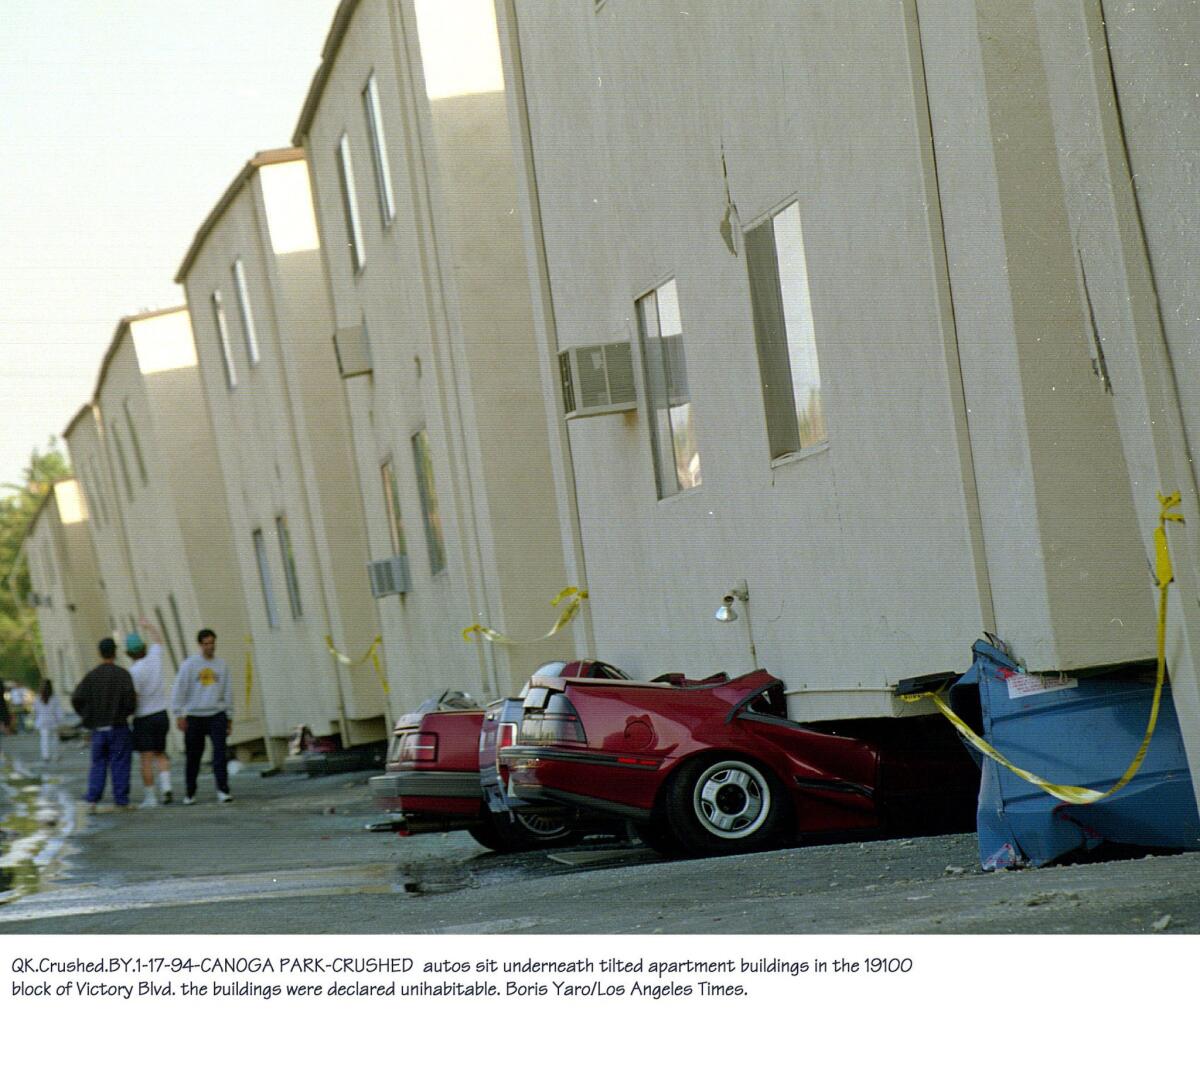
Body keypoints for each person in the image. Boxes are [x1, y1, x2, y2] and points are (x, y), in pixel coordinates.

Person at [72, 637, 137, 812]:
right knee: (120, 763)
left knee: (98, 764)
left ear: (99, 653)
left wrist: (88, 718)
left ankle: (92, 799)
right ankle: (121, 800)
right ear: (115, 653)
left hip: (98, 729)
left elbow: (77, 698)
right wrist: (125, 713)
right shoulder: (123, 674)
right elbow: (131, 700)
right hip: (118, 727)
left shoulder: (91, 676)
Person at [171, 628, 234, 805]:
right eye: (206, 644)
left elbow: (228, 691)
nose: (210, 647)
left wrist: (229, 716)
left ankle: (223, 790)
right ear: (200, 645)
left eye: (212, 643)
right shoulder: (189, 665)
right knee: (193, 756)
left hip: (216, 714)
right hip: (195, 715)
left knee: (220, 754)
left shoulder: (221, 665)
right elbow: (179, 689)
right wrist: (178, 714)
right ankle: (190, 792)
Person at [126, 620, 174, 807]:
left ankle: (151, 797)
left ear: (129, 653)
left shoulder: (134, 672)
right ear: (144, 647)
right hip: (161, 713)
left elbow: (135, 697)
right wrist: (149, 626)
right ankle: (167, 787)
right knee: (161, 753)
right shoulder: (155, 658)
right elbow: (158, 640)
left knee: (146, 759)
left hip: (144, 717)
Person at [32, 679, 64, 764]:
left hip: (42, 721)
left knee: (44, 739)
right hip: (53, 721)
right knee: (55, 739)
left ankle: (46, 756)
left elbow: (35, 710)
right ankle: (56, 756)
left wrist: (35, 720)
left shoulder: (38, 697)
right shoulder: (54, 697)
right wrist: (60, 721)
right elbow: (59, 711)